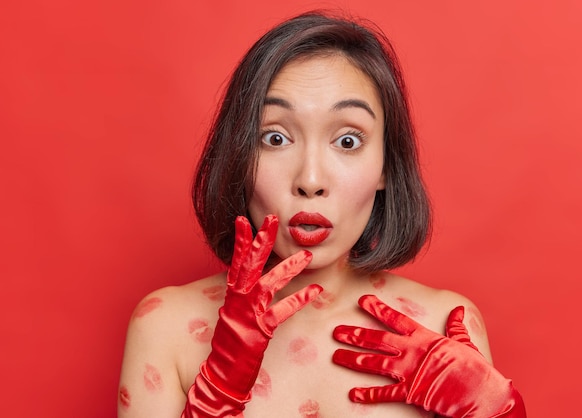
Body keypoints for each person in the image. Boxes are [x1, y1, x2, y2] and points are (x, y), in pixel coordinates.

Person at [118, 11, 525, 418]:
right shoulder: (165, 327)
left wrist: (499, 412)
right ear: (240, 158)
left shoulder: (446, 325)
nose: (310, 180)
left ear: (386, 165)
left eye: (347, 140)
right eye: (275, 138)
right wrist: (216, 396)